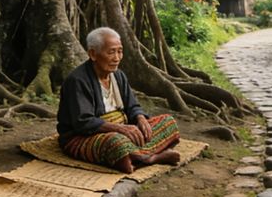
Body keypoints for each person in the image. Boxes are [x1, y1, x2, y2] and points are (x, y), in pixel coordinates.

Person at [57, 27, 180, 174]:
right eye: (111, 52)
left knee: (168, 122)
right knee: (116, 143)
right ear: (93, 54)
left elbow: (132, 106)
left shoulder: (119, 76)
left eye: (120, 51)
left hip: (122, 129)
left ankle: (134, 157)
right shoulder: (77, 81)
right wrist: (120, 129)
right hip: (84, 137)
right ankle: (151, 158)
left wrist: (140, 119)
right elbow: (83, 122)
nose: (117, 58)